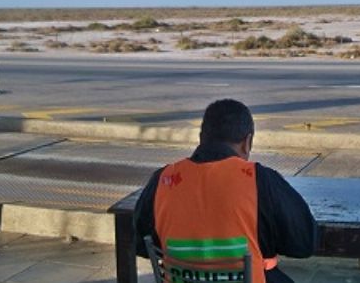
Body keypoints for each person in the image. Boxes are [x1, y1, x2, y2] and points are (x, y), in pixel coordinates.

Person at [134, 99, 316, 283]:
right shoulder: (260, 180)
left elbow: (141, 245)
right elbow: (304, 244)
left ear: (201, 138)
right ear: (247, 142)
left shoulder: (162, 180)